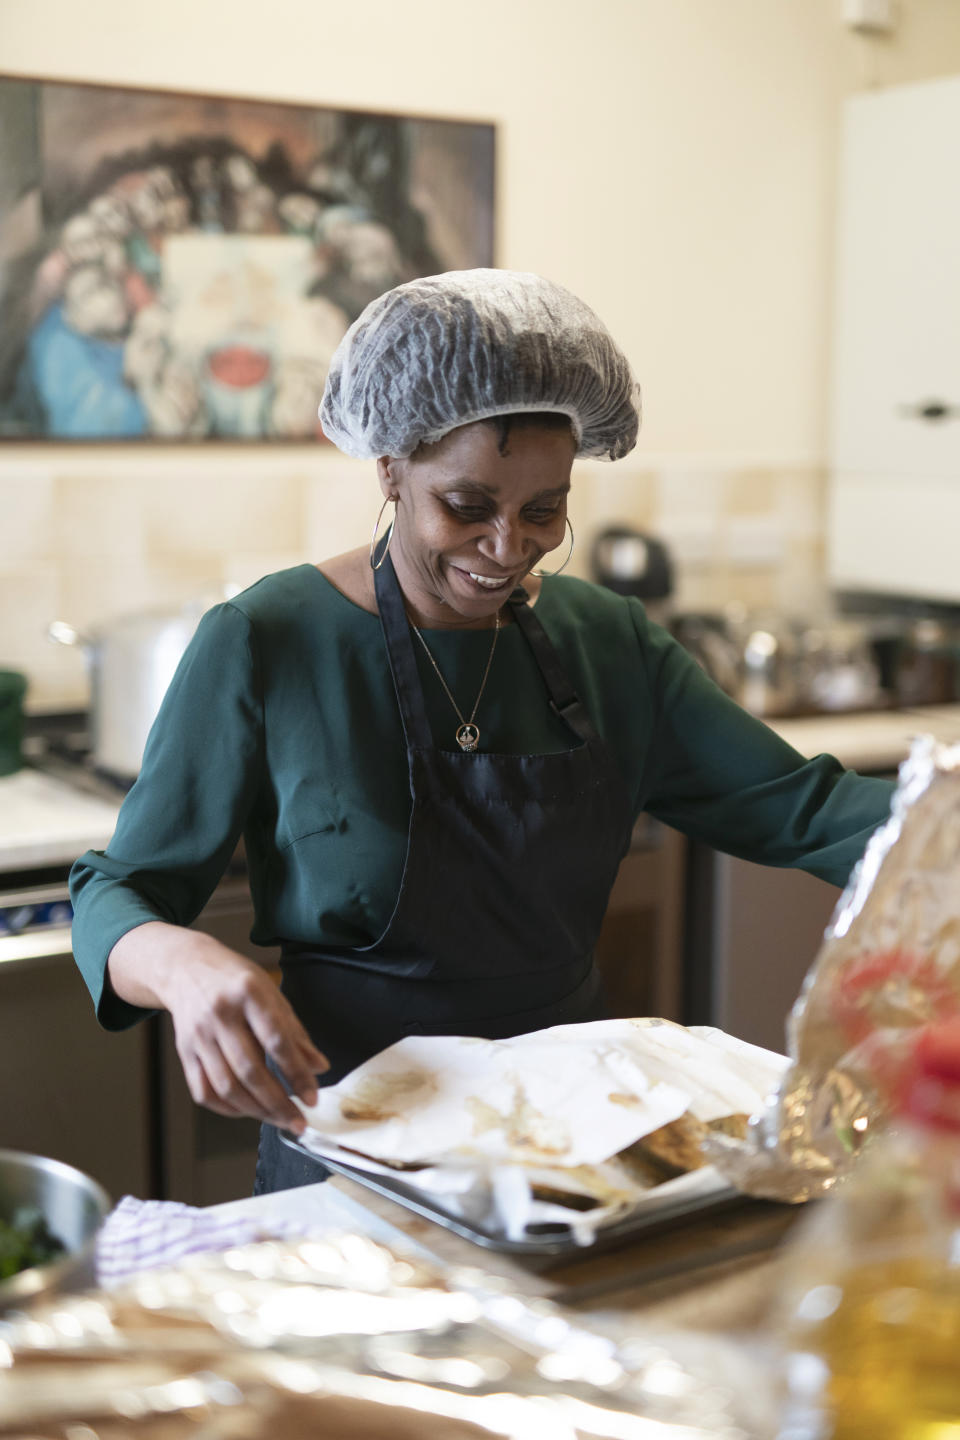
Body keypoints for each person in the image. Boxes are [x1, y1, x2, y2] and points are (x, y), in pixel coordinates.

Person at [69, 269, 895, 1194]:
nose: (508, 547)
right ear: (391, 467)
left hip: (577, 1140)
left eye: (543, 510)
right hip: (354, 1144)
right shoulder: (268, 641)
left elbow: (807, 807)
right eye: (467, 507)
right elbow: (119, 892)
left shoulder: (607, 642)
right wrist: (179, 964)